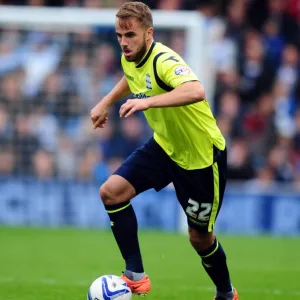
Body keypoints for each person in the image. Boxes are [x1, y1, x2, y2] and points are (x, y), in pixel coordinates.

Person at [90, 2, 239, 300]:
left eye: (130, 35)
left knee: (199, 238)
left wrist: (146, 102)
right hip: (165, 146)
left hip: (200, 157)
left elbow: (196, 90)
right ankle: (135, 275)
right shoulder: (129, 57)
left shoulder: (164, 60)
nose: (123, 42)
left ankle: (226, 294)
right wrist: (106, 100)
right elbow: (131, 77)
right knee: (111, 192)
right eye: (119, 35)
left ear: (149, 34)